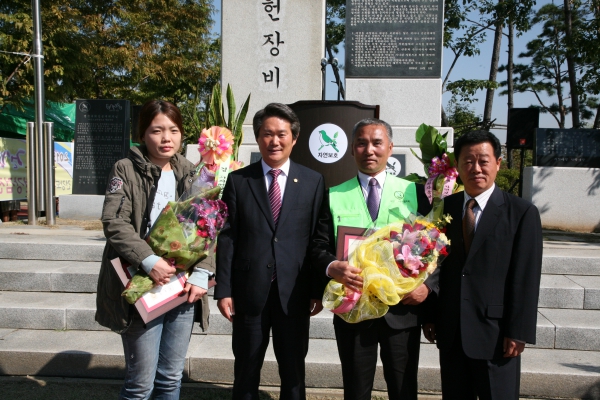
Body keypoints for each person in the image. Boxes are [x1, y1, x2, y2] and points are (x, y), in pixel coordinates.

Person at [95, 99, 213, 399]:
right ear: (143, 134)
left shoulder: (193, 172)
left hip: (182, 287)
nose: (166, 138)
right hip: (142, 282)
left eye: (173, 130)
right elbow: (114, 221)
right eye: (156, 130)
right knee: (140, 384)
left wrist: (204, 274)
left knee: (171, 379)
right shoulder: (125, 169)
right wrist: (148, 260)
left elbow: (209, 225)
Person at [311, 118, 435, 400]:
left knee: (404, 389)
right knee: (355, 388)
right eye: (362, 143)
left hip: (402, 310)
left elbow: (435, 249)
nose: (370, 149)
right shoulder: (332, 195)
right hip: (354, 307)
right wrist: (333, 267)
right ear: (352, 149)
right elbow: (318, 246)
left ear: (390, 148)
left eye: (377, 143)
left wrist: (427, 287)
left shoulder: (415, 194)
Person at [214, 103, 326, 400]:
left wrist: (317, 289)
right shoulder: (239, 181)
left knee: (293, 373)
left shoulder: (313, 182)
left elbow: (317, 238)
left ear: (294, 138)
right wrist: (224, 290)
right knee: (246, 370)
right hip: (249, 292)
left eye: (281, 134)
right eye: (266, 134)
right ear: (258, 138)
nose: (274, 141)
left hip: (295, 292)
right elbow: (228, 238)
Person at [422, 130, 543, 399]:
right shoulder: (446, 208)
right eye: (467, 161)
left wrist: (518, 331)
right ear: (458, 165)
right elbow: (434, 265)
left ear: (498, 163)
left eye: (483, 161)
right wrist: (431, 315)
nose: (475, 168)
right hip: (452, 332)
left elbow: (526, 277)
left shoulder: (521, 213)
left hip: (497, 335)